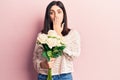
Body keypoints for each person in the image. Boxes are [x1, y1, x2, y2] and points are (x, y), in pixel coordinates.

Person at [33, 1, 81, 80]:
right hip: (44, 76)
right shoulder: (42, 35)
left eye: (59, 12)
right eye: (52, 13)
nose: (56, 16)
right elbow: (35, 59)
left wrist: (58, 33)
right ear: (48, 16)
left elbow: (74, 56)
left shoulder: (72, 34)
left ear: (63, 14)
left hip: (64, 76)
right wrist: (43, 65)